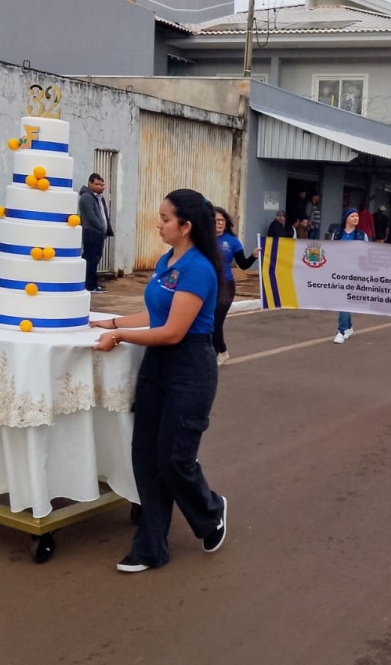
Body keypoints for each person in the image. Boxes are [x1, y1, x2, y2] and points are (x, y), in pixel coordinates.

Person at [92, 188, 228, 573]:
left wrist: (118, 337)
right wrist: (112, 321)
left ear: (185, 226)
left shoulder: (199, 268)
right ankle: (151, 547)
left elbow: (171, 331)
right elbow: (154, 313)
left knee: (174, 459)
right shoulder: (168, 260)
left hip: (189, 367)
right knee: (147, 458)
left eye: (165, 219)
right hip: (156, 367)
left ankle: (211, 509)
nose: (159, 224)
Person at [213, 207, 258, 366]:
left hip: (225, 286)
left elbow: (244, 265)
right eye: (216, 220)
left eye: (222, 220)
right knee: (205, 321)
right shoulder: (203, 239)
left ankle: (222, 352)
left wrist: (253, 256)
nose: (219, 223)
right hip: (208, 284)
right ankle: (210, 353)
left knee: (216, 322)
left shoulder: (232, 241)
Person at [333, 208, 369, 344]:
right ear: (346, 218)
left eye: (357, 216)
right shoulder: (337, 234)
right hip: (339, 271)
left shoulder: (361, 235)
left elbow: (367, 254)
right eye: (353, 216)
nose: (356, 218)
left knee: (345, 300)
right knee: (343, 299)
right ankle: (348, 326)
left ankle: (341, 331)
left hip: (354, 272)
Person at [79, 173, 113, 294]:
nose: (101, 187)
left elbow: (102, 214)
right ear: (90, 183)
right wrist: (101, 228)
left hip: (98, 232)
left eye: (102, 184)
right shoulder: (87, 197)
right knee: (91, 259)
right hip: (92, 232)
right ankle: (90, 285)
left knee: (95, 259)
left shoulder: (98, 197)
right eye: (97, 184)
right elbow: (91, 217)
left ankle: (91, 283)